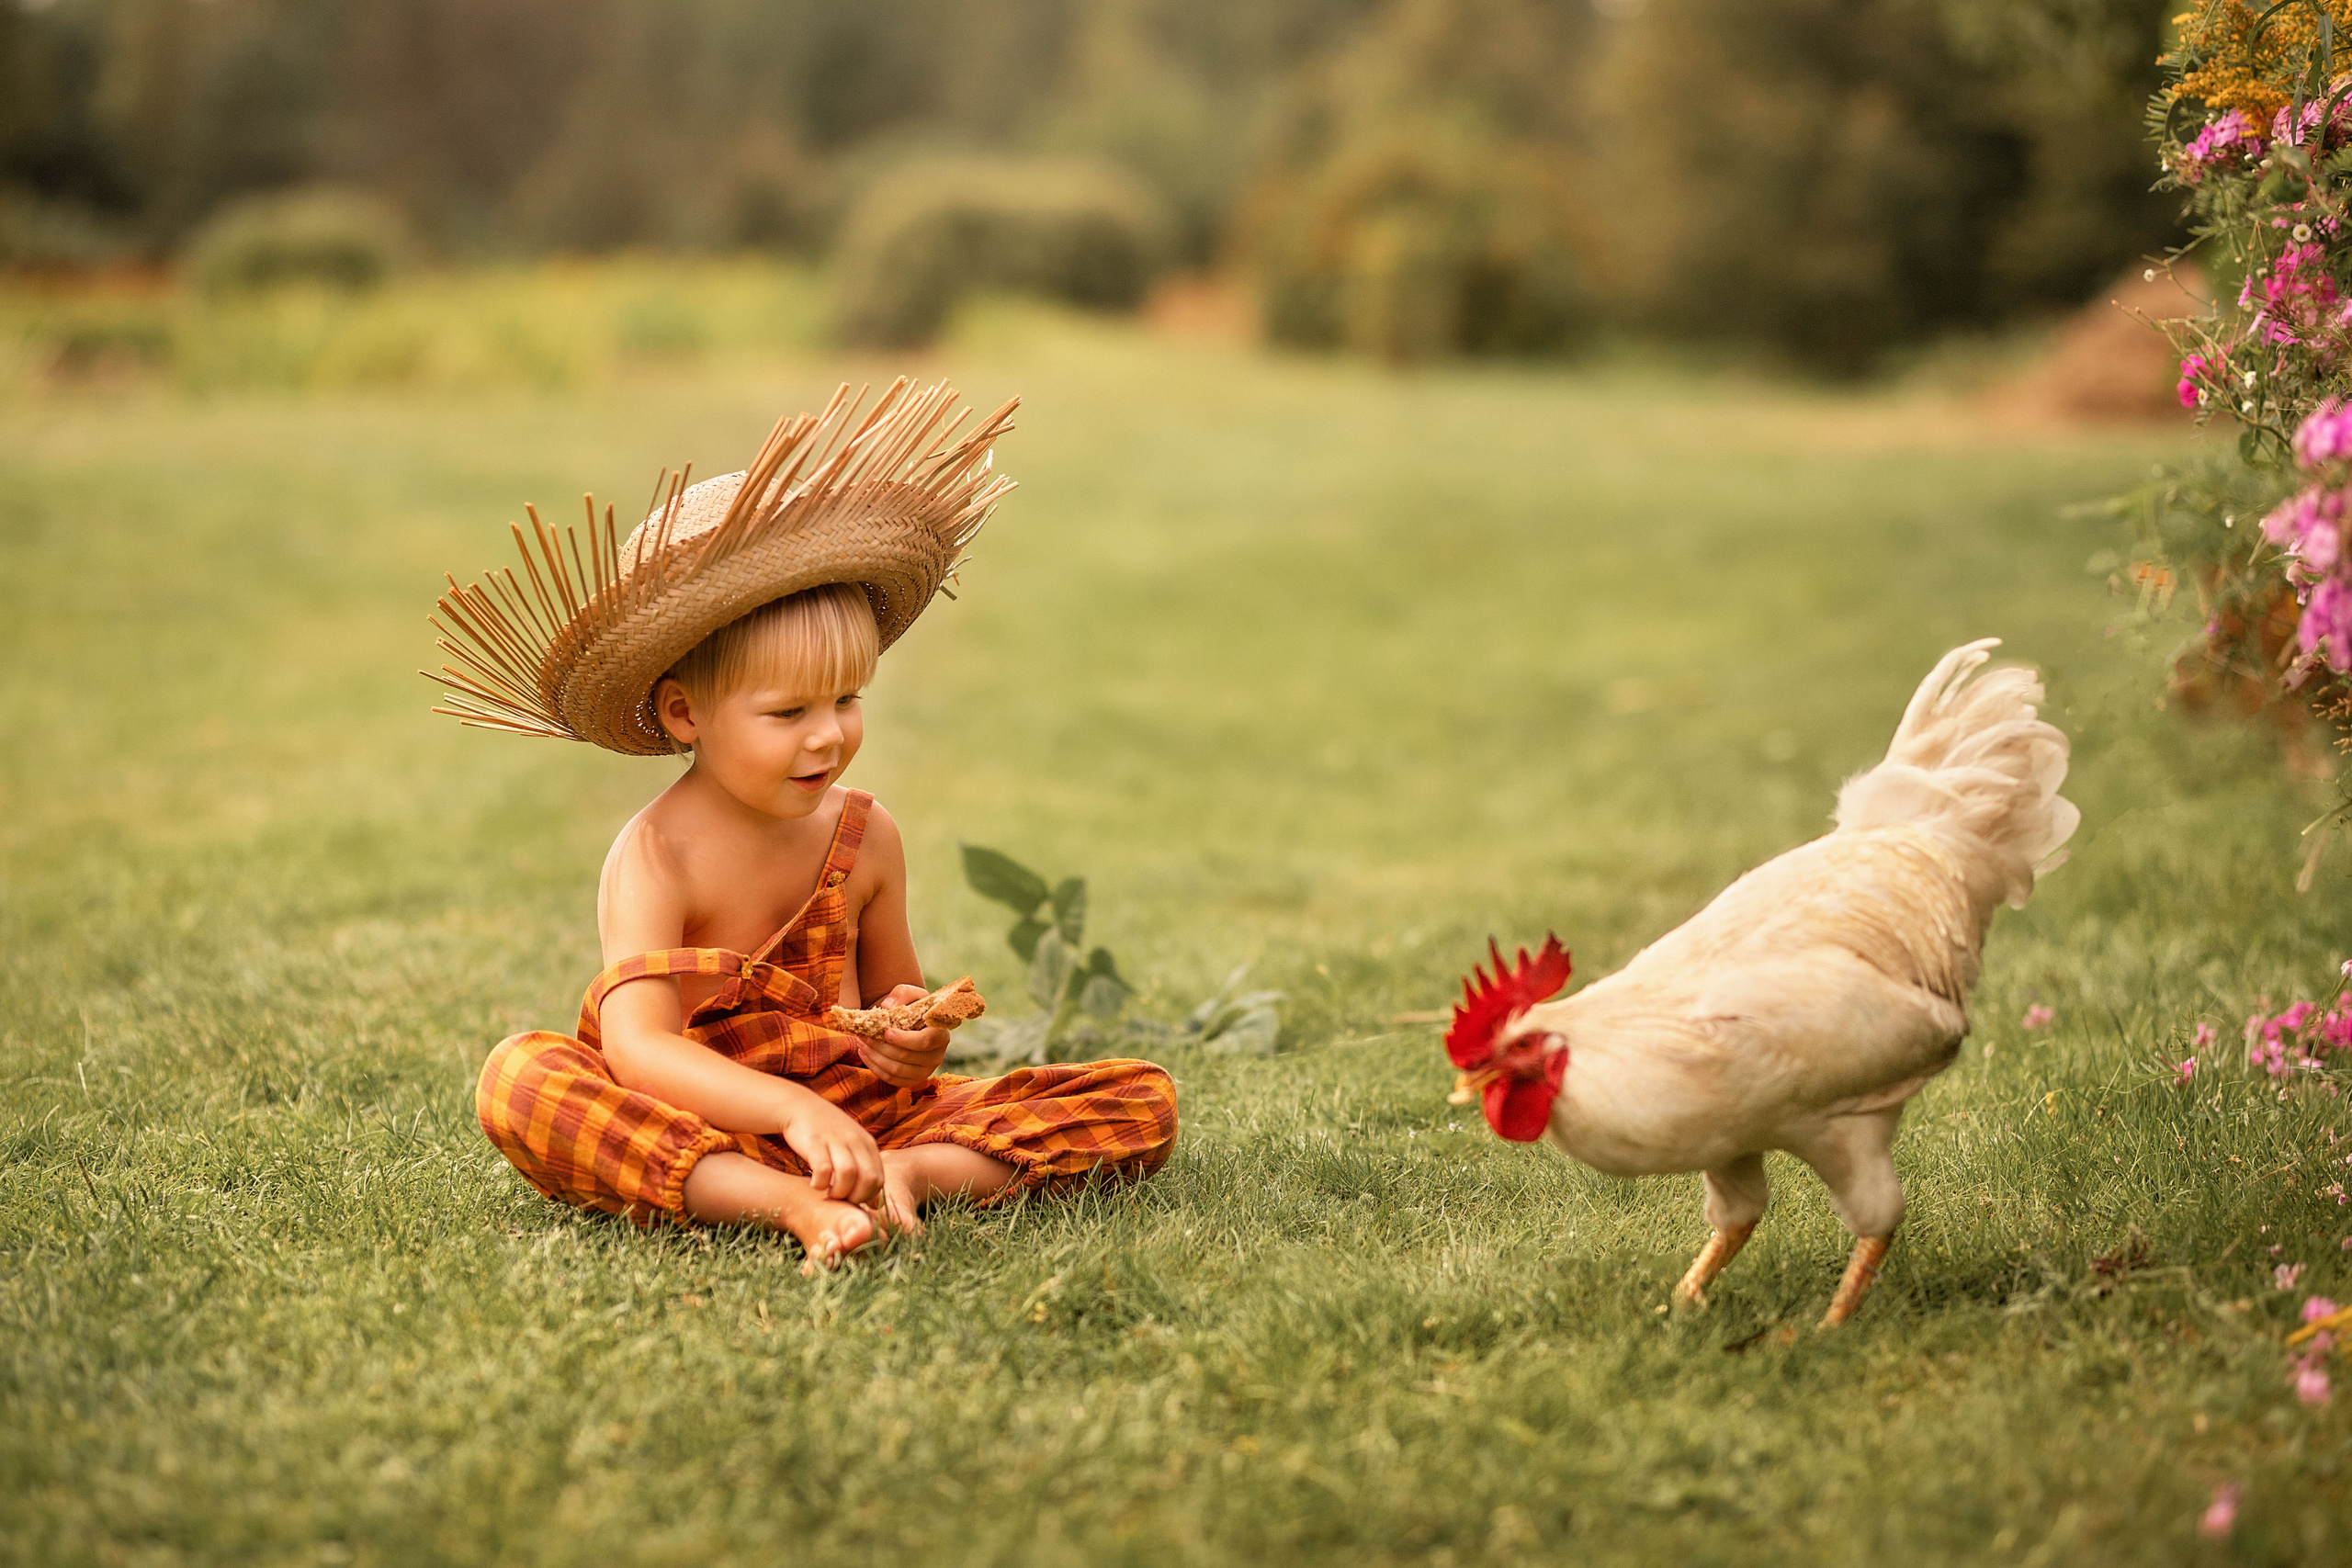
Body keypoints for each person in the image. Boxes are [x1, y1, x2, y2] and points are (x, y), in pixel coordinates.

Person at [427, 379, 1178, 1269]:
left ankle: (905, 1174)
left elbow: (900, 1021)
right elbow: (638, 1049)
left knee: (1140, 1100)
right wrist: (791, 1114)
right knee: (523, 1081)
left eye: (848, 699)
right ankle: (787, 1202)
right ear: (683, 715)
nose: (829, 734)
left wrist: (912, 1039)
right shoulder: (655, 857)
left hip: (863, 1120)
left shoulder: (867, 839)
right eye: (788, 713)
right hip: (709, 1125)